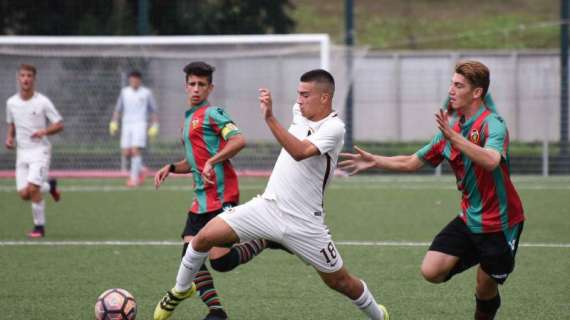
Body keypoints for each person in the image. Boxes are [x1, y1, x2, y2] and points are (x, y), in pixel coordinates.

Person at [153, 69, 389, 320]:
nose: (299, 100)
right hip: (267, 207)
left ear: (324, 98)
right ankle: (182, 289)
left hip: (304, 223)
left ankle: (379, 315)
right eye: (298, 94)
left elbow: (299, 151)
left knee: (341, 282)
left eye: (305, 95)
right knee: (202, 238)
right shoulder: (299, 113)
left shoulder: (334, 128)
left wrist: (269, 118)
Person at [340, 60, 524, 320]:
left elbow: (492, 160)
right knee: (431, 270)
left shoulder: (492, 124)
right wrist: (375, 161)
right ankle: (482, 259)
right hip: (470, 217)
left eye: (458, 85)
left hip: (501, 222)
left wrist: (454, 138)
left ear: (477, 92)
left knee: (485, 287)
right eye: (451, 83)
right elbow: (412, 161)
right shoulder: (449, 132)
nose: (451, 89)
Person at [153, 61, 277, 320]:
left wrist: (213, 161)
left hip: (222, 198)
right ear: (186, 87)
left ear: (210, 88)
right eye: (192, 84)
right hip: (200, 202)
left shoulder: (214, 113)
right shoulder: (187, 120)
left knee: (220, 262)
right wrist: (172, 167)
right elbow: (194, 161)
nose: (196, 89)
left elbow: (239, 140)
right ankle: (216, 312)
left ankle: (266, 239)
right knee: (190, 255)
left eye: (201, 84)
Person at [4, 64, 63, 238]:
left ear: (34, 79)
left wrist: (44, 131)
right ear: (18, 78)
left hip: (40, 151)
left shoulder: (42, 102)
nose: (26, 79)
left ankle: (39, 227)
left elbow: (59, 124)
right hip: (22, 153)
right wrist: (9, 138)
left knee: (33, 189)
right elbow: (13, 123)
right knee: (24, 194)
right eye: (22, 76)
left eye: (29, 76)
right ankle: (50, 185)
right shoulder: (11, 103)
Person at [109, 70, 159, 187]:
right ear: (129, 80)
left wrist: (155, 125)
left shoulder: (146, 93)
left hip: (140, 124)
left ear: (139, 80)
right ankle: (141, 169)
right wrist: (114, 122)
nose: (134, 82)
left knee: (136, 150)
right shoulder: (124, 92)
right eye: (132, 79)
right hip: (127, 124)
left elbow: (153, 110)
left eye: (136, 79)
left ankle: (134, 179)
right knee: (126, 152)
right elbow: (118, 109)